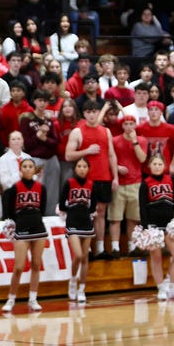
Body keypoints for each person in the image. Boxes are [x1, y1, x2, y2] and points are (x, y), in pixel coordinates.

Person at [66, 100, 119, 259]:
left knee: (101, 212)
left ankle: (100, 249)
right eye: (88, 112)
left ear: (98, 112)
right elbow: (68, 155)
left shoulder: (106, 131)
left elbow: (111, 155)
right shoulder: (78, 131)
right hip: (86, 179)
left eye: (94, 111)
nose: (91, 115)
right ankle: (87, 249)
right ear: (84, 114)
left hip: (104, 177)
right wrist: (87, 151)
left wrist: (115, 177)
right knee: (86, 213)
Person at [139, 154, 174, 300]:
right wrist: (145, 228)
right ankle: (161, 288)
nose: (157, 167)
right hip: (154, 226)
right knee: (156, 257)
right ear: (150, 166)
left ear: (165, 166)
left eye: (160, 164)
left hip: (170, 225)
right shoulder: (145, 183)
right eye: (154, 164)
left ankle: (173, 288)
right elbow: (142, 207)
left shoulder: (171, 180)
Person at [1, 158, 47, 312]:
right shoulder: (15, 188)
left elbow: (42, 209)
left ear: (34, 170)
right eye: (25, 166)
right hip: (21, 229)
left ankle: (33, 299)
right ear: (20, 170)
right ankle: (11, 299)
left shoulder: (41, 187)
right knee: (19, 267)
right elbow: (9, 211)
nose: (27, 169)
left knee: (36, 264)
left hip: (38, 228)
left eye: (30, 166)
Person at [108, 115, 148, 257]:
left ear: (135, 125)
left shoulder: (142, 140)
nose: (129, 126)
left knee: (133, 218)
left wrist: (135, 141)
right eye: (126, 124)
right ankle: (115, 248)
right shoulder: (115, 140)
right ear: (122, 125)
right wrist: (117, 168)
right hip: (119, 183)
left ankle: (133, 247)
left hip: (135, 183)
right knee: (115, 218)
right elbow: (109, 158)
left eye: (131, 123)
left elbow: (142, 159)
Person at [59, 158, 97, 303]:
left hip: (86, 222)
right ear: (75, 168)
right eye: (79, 166)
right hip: (73, 222)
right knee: (79, 255)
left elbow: (93, 207)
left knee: (85, 257)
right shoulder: (69, 183)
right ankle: (73, 280)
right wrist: (74, 208)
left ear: (88, 169)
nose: (82, 169)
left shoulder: (92, 184)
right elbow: (62, 204)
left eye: (84, 166)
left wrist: (84, 209)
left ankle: (82, 289)